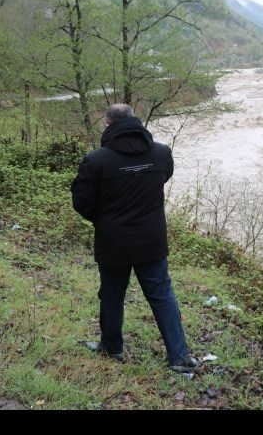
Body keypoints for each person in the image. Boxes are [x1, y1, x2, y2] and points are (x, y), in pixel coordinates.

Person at [70, 103, 199, 374]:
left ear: (108, 125)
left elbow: (82, 202)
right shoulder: (161, 154)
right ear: (135, 121)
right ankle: (179, 358)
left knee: (112, 295)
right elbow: (163, 178)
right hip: (151, 241)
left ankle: (112, 347)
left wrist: (104, 219)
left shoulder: (96, 160)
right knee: (162, 295)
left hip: (113, 241)